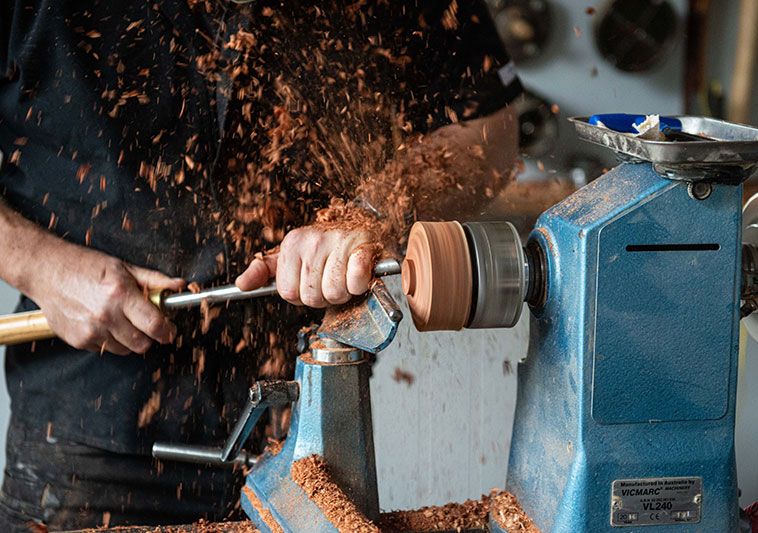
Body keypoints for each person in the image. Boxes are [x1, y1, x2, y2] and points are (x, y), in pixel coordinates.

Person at [0, 1, 521, 530]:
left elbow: (491, 133)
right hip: (91, 438)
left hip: (307, 427)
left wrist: (372, 212)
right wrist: (44, 267)